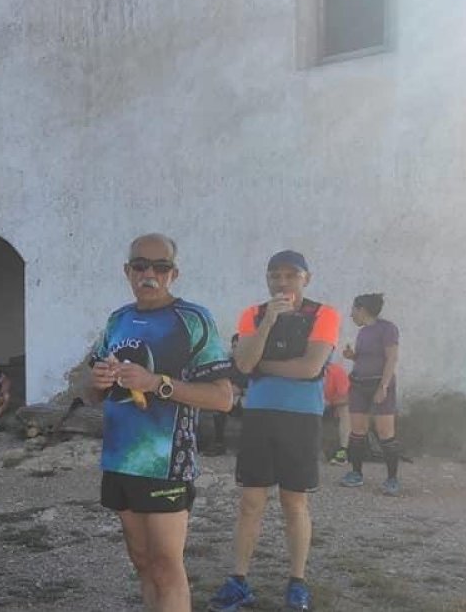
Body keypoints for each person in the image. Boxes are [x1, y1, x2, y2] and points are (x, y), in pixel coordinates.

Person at [89, 234, 235, 612]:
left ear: (174, 273)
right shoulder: (118, 319)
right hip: (120, 459)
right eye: (140, 265)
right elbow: (90, 394)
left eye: (160, 266)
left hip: (167, 461)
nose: (149, 274)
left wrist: (157, 383)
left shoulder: (193, 319)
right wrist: (97, 382)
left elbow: (223, 398)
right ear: (127, 271)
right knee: (143, 564)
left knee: (167, 567)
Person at [208, 250, 339, 612]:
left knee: (293, 502)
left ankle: (297, 582)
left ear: (305, 279)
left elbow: (310, 368)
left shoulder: (324, 314)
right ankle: (238, 580)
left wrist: (258, 365)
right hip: (260, 415)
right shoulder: (252, 314)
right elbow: (245, 364)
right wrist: (266, 326)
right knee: (251, 502)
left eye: (291, 275)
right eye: (274, 276)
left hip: (301, 417)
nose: (282, 283)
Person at [339, 293, 401, 495]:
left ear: (362, 309)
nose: (351, 315)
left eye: (353, 310)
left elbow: (391, 359)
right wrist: (352, 356)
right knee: (357, 432)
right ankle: (356, 474)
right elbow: (366, 359)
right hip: (358, 385)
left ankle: (392, 479)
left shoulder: (387, 328)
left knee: (385, 433)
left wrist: (383, 387)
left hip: (379, 385)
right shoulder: (363, 332)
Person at [324, 358, 351, 465]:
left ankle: (342, 452)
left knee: (345, 410)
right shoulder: (306, 370)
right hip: (312, 405)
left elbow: (346, 397)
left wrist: (331, 403)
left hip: (332, 404)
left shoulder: (336, 371)